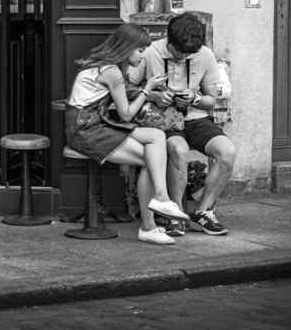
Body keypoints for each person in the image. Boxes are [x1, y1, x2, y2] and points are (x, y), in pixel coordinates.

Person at [63, 23, 190, 245]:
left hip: (89, 123)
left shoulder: (106, 66)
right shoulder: (112, 72)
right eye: (140, 50)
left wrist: (147, 93)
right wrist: (148, 88)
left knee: (157, 136)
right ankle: (150, 223)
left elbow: (123, 94)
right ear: (126, 47)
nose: (143, 56)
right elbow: (127, 114)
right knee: (151, 159)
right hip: (86, 130)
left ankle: (161, 199)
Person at [127, 12, 236, 237]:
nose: (182, 58)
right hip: (162, 120)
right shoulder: (150, 52)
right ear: (169, 41)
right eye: (179, 52)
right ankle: (175, 214)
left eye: (189, 54)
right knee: (179, 149)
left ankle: (204, 211)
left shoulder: (205, 55)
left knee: (227, 152)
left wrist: (195, 98)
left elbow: (211, 101)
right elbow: (126, 88)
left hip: (196, 118)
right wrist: (153, 96)